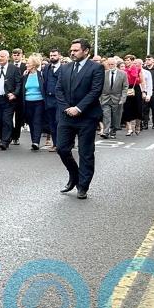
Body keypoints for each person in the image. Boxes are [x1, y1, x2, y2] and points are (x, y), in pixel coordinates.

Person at [55, 38, 104, 199]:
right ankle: (74, 175)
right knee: (61, 148)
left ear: (86, 51)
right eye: (71, 50)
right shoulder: (65, 68)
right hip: (67, 115)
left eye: (76, 50)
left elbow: (95, 91)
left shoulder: (96, 68)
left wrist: (79, 108)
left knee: (86, 152)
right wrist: (67, 108)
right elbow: (59, 90)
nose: (72, 52)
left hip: (87, 117)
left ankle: (83, 186)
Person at [20, 53, 46, 150]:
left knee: (37, 121)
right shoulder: (25, 75)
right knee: (30, 122)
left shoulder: (41, 75)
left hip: (39, 101)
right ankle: (33, 140)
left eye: (28, 63)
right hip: (27, 102)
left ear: (34, 65)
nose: (26, 65)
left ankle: (36, 142)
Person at [99, 57, 128, 139]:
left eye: (112, 64)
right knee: (106, 115)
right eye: (109, 64)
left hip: (117, 98)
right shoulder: (104, 73)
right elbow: (99, 86)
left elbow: (125, 87)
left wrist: (123, 98)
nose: (111, 66)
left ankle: (113, 130)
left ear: (116, 64)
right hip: (105, 98)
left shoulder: (123, 74)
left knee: (116, 117)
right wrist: (100, 98)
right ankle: (106, 131)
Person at [42, 49, 63, 151]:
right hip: (48, 98)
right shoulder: (46, 68)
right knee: (51, 122)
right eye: (51, 55)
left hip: (60, 100)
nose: (52, 57)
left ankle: (62, 143)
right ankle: (55, 144)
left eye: (54, 55)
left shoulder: (64, 68)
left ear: (59, 56)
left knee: (59, 121)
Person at [121, 55, 145, 136]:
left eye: (128, 60)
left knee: (138, 108)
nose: (126, 62)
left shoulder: (138, 69)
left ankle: (137, 126)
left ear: (132, 61)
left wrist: (144, 91)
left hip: (136, 88)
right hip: (126, 88)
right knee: (126, 108)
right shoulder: (124, 70)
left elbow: (142, 81)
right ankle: (129, 128)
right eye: (125, 60)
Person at [10, 48, 27, 146]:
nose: (16, 56)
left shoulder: (25, 66)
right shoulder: (10, 66)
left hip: (21, 96)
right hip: (11, 95)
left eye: (18, 54)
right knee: (8, 117)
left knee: (18, 118)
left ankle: (16, 137)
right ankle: (11, 134)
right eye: (14, 54)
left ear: (22, 55)